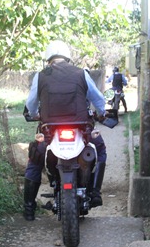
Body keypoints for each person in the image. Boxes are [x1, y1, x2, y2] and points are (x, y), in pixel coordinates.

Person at [23, 40, 108, 221]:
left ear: (49, 60)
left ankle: (29, 208)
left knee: (36, 155)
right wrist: (102, 113)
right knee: (99, 148)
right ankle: (95, 192)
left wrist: (34, 114)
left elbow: (31, 103)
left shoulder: (41, 76)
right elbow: (98, 99)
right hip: (81, 129)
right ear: (68, 58)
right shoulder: (81, 73)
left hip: (50, 131)